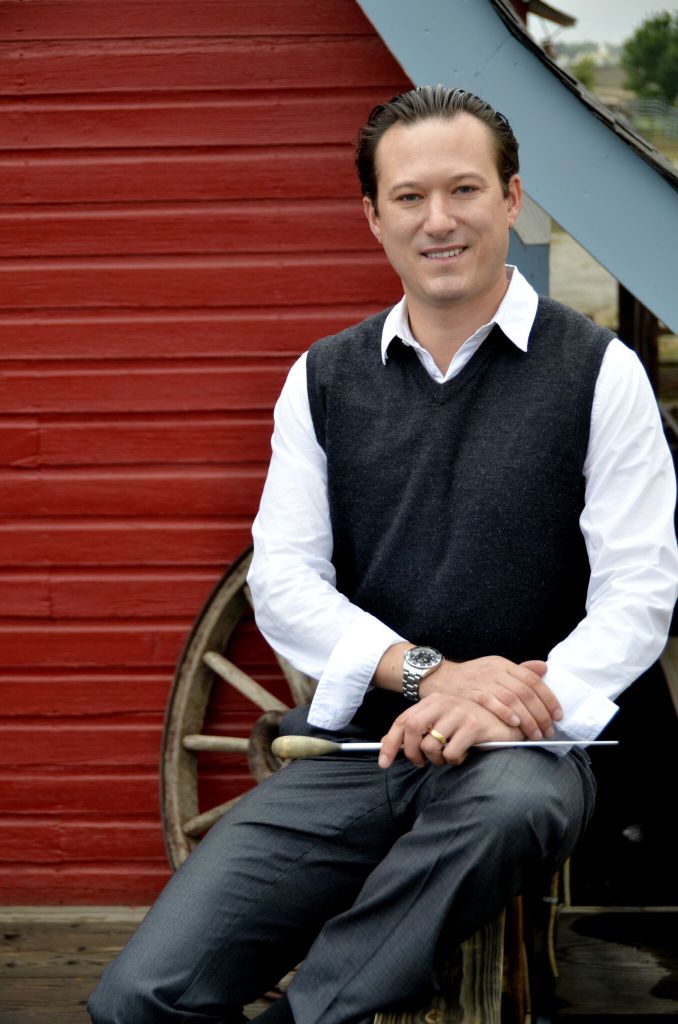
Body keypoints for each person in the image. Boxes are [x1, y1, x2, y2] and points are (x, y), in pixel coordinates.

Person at [88, 85, 678, 1024]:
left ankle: (313, 1012)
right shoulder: (322, 379)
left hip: (527, 757)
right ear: (373, 216)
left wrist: (511, 707)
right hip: (364, 752)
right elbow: (284, 580)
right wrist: (432, 677)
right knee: (138, 999)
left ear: (511, 199)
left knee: (510, 808)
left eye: (464, 189)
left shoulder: (600, 371)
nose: (438, 220)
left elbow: (639, 590)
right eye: (409, 197)